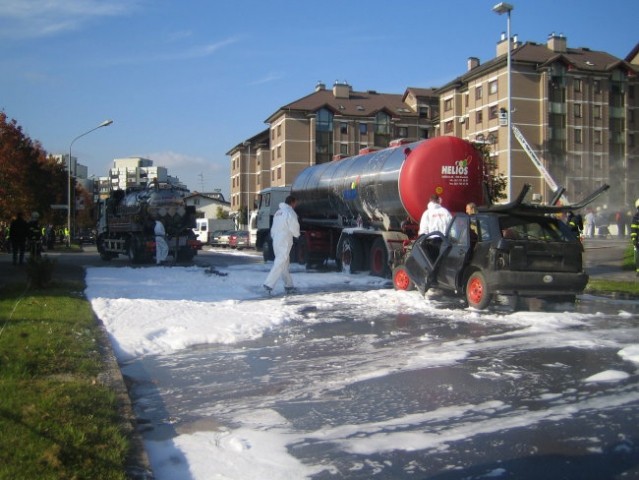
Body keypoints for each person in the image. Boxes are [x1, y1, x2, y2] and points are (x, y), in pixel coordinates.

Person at [263, 195, 300, 295]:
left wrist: (274, 236)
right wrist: (297, 234)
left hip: (276, 239)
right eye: (295, 203)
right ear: (292, 202)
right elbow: (294, 226)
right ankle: (268, 284)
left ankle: (289, 285)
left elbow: (274, 227)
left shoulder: (278, 212)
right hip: (285, 240)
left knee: (284, 264)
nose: (296, 205)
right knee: (280, 262)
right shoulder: (290, 212)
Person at [631, 199, 639, 276]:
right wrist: (634, 239)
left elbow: (633, 229)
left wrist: (634, 239)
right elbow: (634, 229)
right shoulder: (636, 217)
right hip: (638, 240)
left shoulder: (636, 217)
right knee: (637, 256)